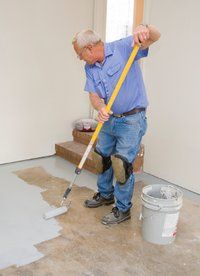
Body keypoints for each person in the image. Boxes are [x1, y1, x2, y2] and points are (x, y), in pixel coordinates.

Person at [72, 24, 161, 225]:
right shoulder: (90, 67)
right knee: (101, 158)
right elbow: (94, 95)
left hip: (131, 119)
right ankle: (105, 194)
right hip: (109, 119)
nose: (79, 58)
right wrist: (100, 107)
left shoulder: (123, 47)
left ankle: (122, 209)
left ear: (89, 48)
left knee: (121, 165)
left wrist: (145, 29)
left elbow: (155, 36)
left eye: (79, 54)